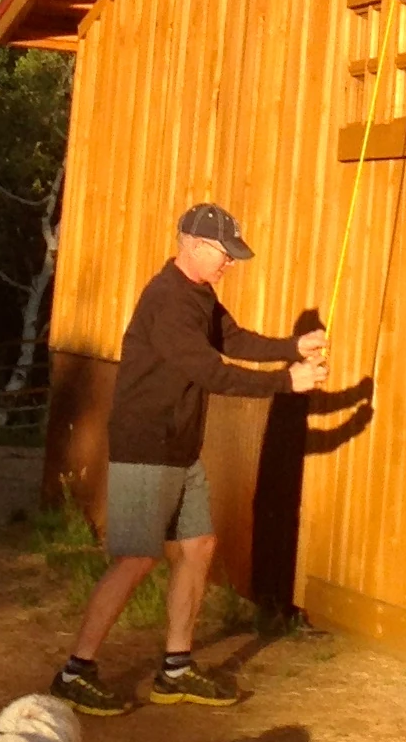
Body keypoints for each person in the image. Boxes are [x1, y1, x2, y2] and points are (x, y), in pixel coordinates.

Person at [52, 201, 329, 714]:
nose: (231, 263)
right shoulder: (168, 301)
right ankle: (75, 671)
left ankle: (175, 669)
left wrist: (293, 347)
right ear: (196, 246)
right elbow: (211, 371)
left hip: (180, 445)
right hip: (147, 445)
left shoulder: (199, 295)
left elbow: (233, 339)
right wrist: (287, 382)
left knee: (198, 545)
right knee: (137, 558)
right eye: (226, 253)